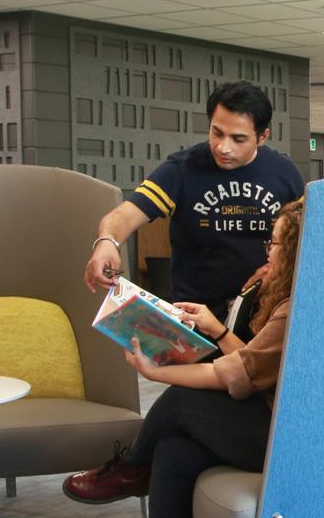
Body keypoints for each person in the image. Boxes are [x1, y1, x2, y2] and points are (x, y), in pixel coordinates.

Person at [63, 200, 303, 518]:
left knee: (180, 401)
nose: (269, 251)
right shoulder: (293, 296)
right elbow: (260, 365)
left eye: (279, 243)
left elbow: (238, 372)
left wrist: (158, 373)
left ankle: (132, 470)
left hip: (288, 435)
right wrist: (216, 329)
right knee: (174, 450)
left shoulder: (297, 307)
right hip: (276, 418)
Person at [83, 81, 305, 336]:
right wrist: (107, 241)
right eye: (217, 133)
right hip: (194, 321)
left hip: (262, 321)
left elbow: (303, 237)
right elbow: (125, 215)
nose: (223, 147)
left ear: (263, 136)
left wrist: (274, 270)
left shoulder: (284, 174)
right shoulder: (182, 169)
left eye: (238, 139)